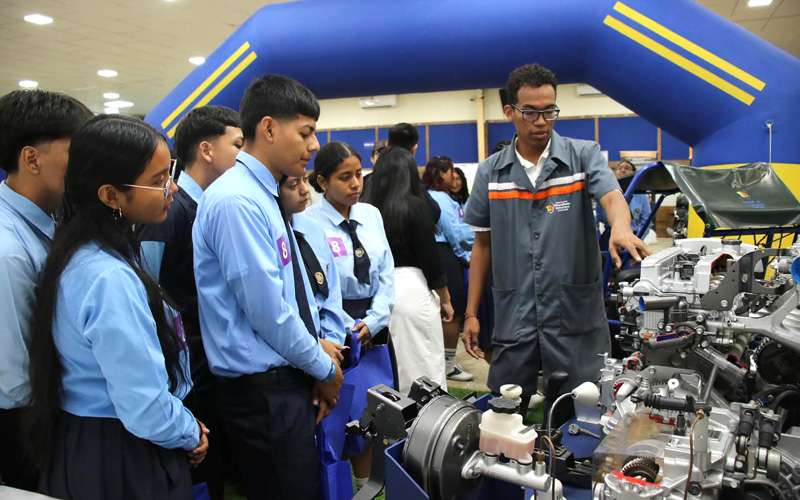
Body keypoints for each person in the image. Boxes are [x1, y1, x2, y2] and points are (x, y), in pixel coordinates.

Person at [26, 115, 208, 500]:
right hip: (122, 451)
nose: (171, 187)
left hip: (89, 440)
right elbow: (143, 405)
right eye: (158, 181)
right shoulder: (109, 277)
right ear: (110, 195)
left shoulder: (87, 253)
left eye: (168, 173)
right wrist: (190, 431)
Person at [462, 64, 651, 415]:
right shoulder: (491, 172)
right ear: (509, 112)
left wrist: (621, 227)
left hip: (573, 314)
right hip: (515, 313)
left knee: (580, 411)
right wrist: (471, 313)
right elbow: (482, 244)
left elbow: (611, 196)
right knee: (505, 412)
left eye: (549, 111)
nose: (541, 121)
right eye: (530, 112)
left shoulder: (582, 156)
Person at [192, 75, 343, 500]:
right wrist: (324, 368)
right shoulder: (237, 201)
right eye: (306, 132)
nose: (314, 145)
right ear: (269, 128)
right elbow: (268, 312)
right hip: (263, 393)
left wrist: (317, 353)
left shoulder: (263, 196)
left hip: (285, 378)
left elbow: (288, 291)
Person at [137, 105, 242, 500]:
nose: (243, 155)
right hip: (186, 368)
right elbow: (150, 291)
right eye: (237, 145)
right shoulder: (167, 211)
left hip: (209, 362)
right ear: (206, 150)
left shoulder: (211, 206)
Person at [0, 89, 92, 490]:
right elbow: (14, 379)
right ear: (31, 159)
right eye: (78, 153)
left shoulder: (51, 222)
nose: (88, 167)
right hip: (24, 427)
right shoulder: (9, 250)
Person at [305, 141, 395, 489]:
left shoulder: (370, 214)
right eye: (345, 177)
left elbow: (387, 271)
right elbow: (316, 286)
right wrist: (348, 328)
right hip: (335, 331)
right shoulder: (309, 221)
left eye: (359, 174)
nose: (356, 183)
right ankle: (339, 486)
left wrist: (375, 321)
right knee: (340, 421)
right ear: (323, 182)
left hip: (376, 329)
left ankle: (367, 487)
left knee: (375, 418)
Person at [362, 146, 453, 393]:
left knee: (391, 366)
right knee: (424, 363)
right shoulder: (414, 206)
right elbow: (430, 258)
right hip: (412, 288)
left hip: (376, 292)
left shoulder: (365, 208)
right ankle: (427, 426)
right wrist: (445, 298)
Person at [422, 156, 475, 382]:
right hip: (446, 254)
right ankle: (448, 365)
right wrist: (466, 255)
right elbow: (453, 231)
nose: (453, 176)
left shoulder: (428, 195)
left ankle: (444, 361)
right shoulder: (440, 198)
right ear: (440, 173)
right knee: (453, 312)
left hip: (436, 253)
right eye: (450, 171)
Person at [595, 160, 652, 238]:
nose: (623, 170)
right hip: (610, 234)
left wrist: (640, 238)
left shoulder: (641, 195)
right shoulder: (607, 192)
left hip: (633, 235)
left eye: (627, 168)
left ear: (634, 173)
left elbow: (646, 221)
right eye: (620, 168)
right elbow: (598, 218)